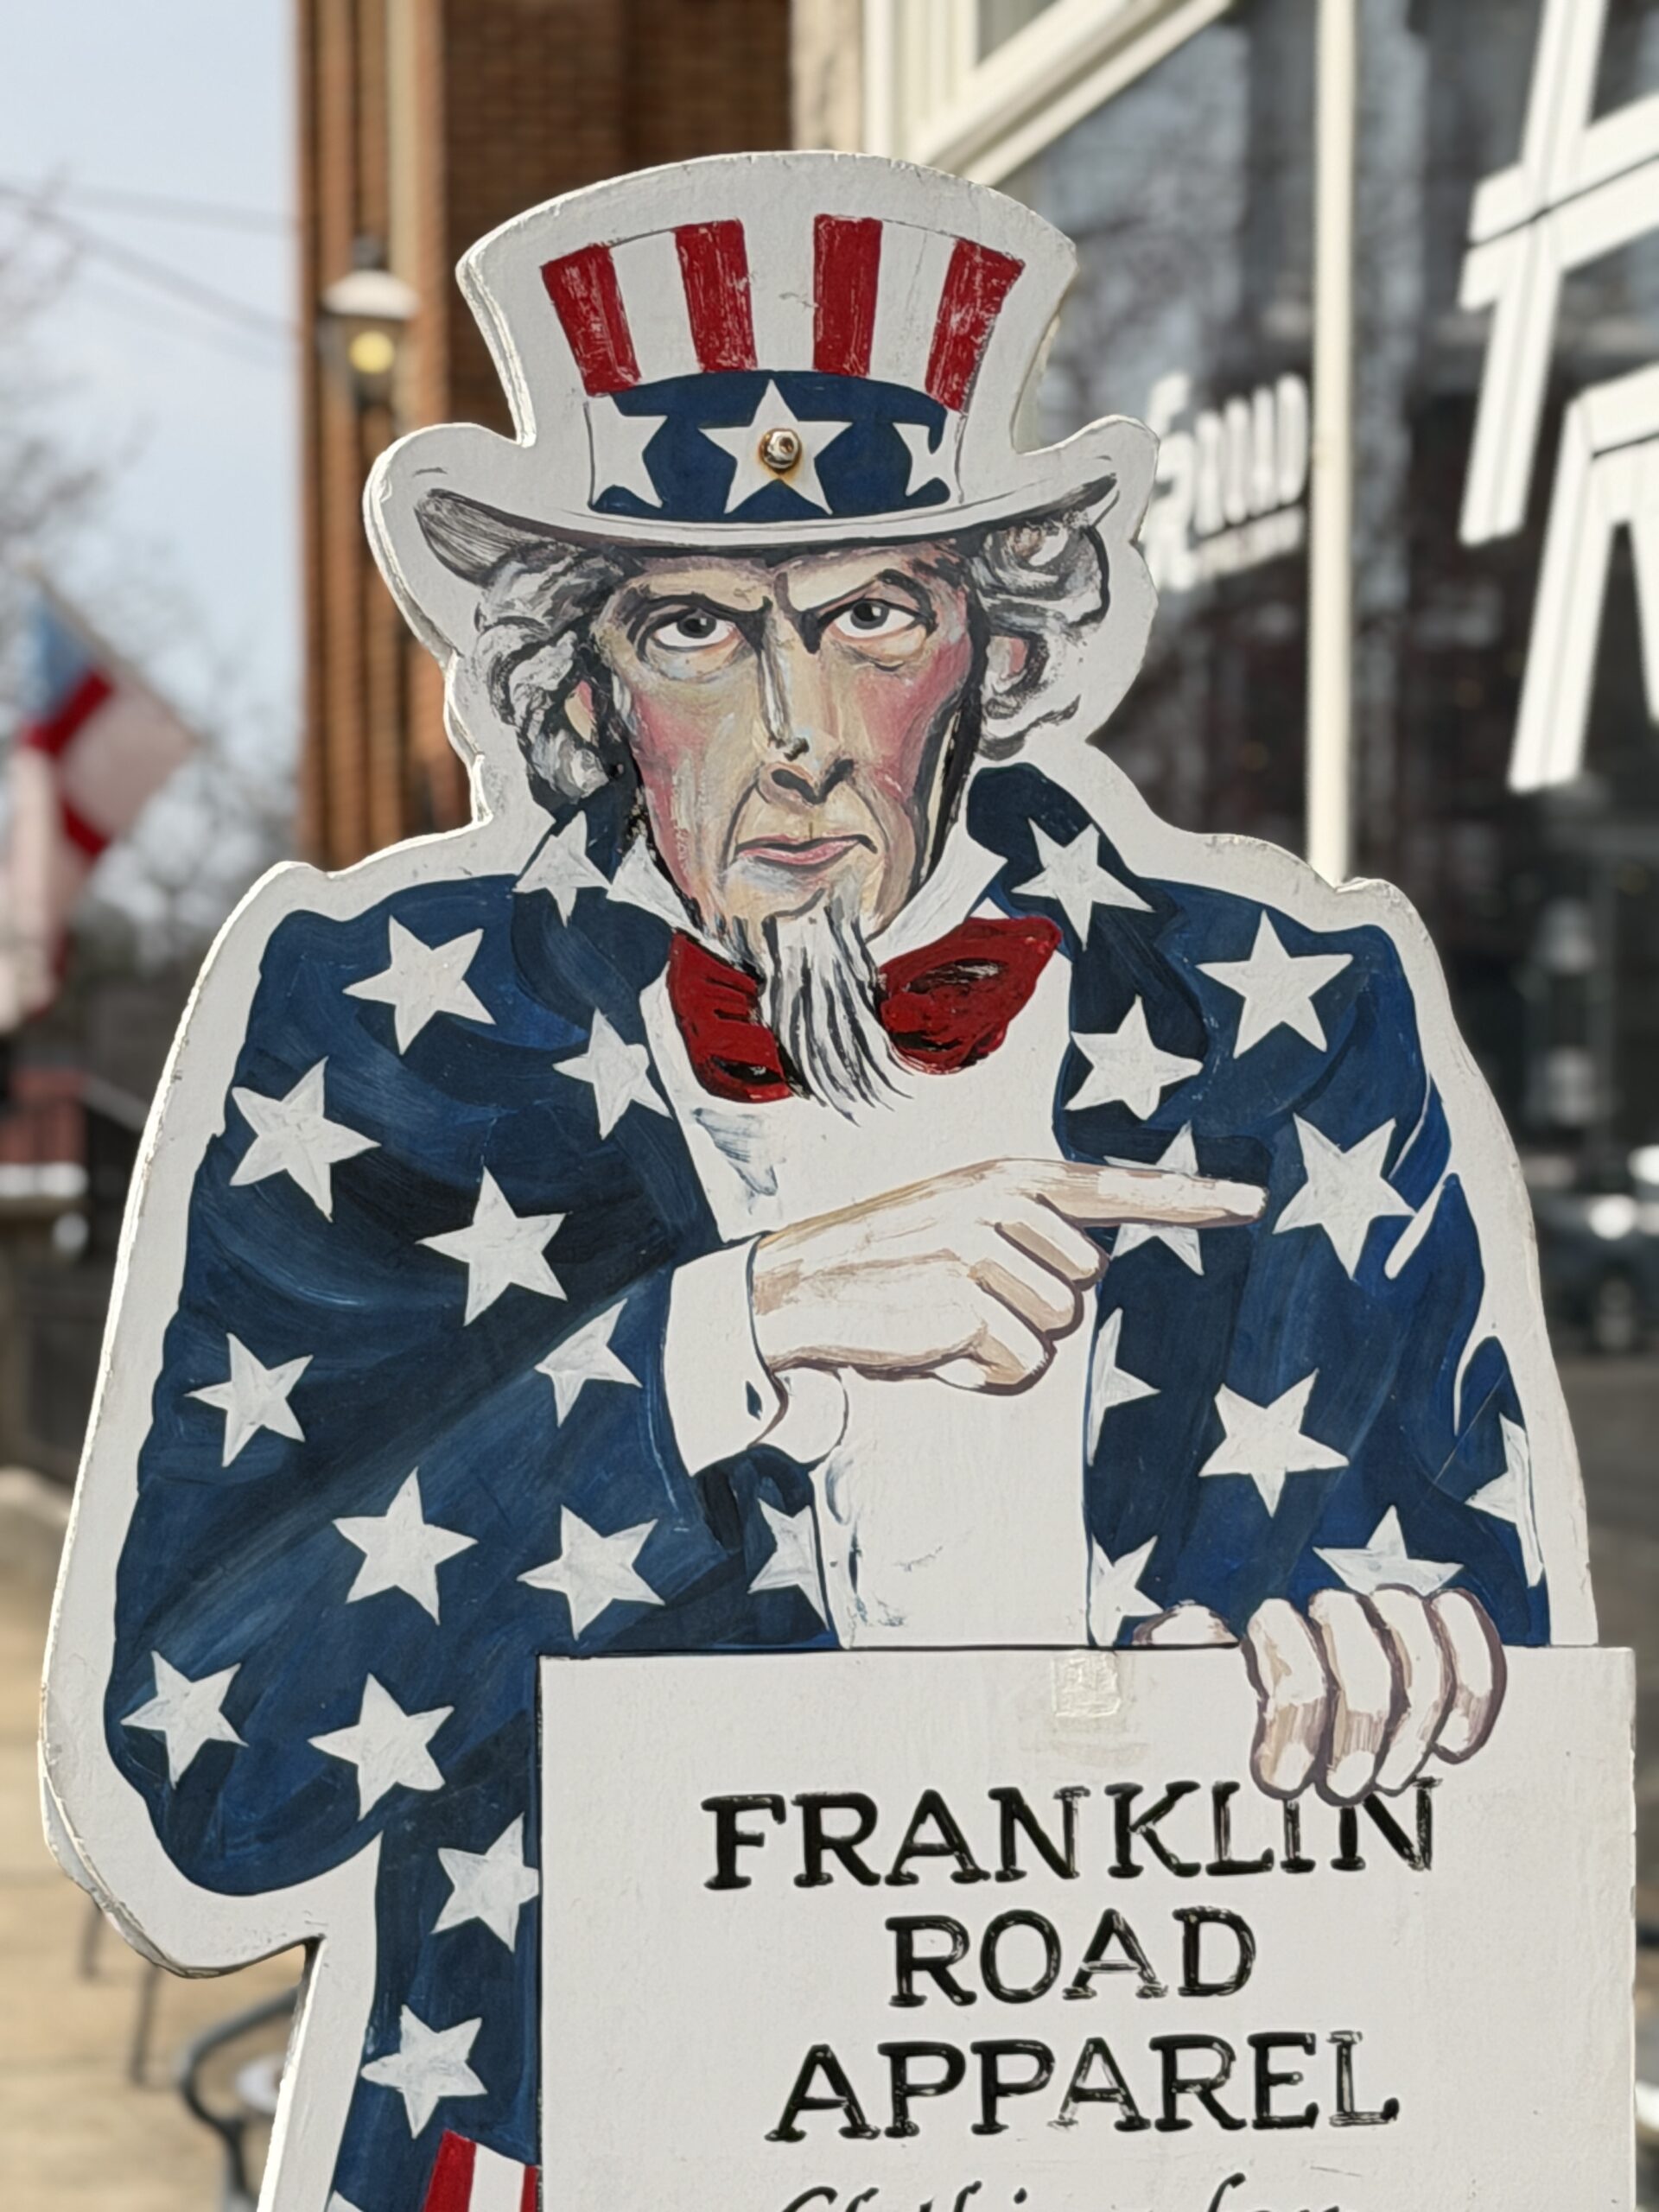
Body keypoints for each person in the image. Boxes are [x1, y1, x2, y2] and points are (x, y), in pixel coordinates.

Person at [43, 154, 1589, 2212]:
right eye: (694, 626)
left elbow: (1482, 1680)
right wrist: (728, 1337)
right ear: (583, 685)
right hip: (575, 2135)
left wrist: (1393, 1663)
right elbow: (197, 1775)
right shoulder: (388, 1031)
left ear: (997, 653)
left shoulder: (1292, 1019)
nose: (798, 735)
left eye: (874, 614)